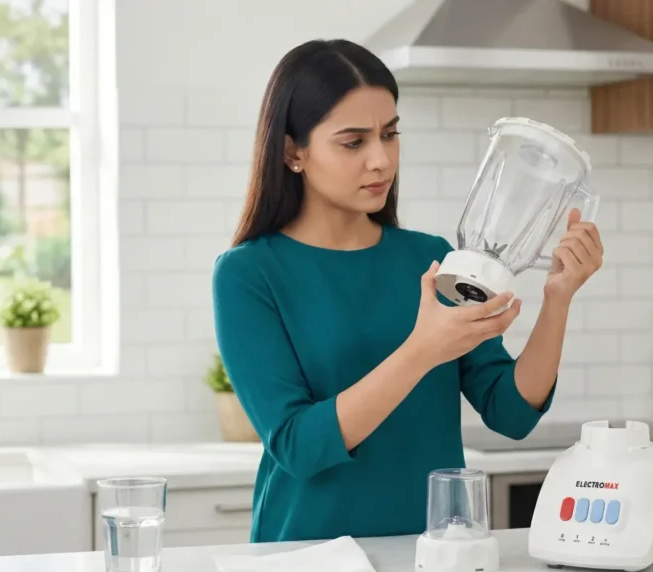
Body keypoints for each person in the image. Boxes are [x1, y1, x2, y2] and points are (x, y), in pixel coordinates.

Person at [211, 39, 604, 544]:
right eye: (353, 142)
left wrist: (558, 298)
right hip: (307, 561)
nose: (380, 160)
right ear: (293, 152)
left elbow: (510, 412)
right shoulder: (249, 273)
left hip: (435, 554)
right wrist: (421, 352)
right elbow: (297, 447)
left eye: (390, 135)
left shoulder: (428, 258)